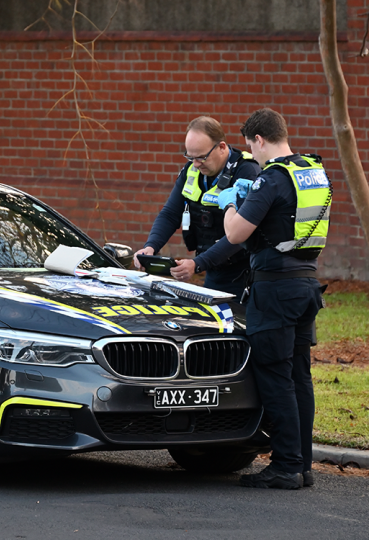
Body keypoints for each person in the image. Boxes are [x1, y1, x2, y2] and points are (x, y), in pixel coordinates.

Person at [218, 108, 332, 490]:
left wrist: (230, 205)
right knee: (300, 376)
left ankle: (285, 466)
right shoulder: (312, 172)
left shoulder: (272, 178)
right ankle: (303, 465)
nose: (252, 155)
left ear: (259, 140)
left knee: (276, 375)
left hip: (276, 289)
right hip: (306, 284)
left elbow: (235, 234)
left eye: (252, 148)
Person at [133, 116, 261, 300]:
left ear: (222, 147)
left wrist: (197, 264)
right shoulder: (192, 170)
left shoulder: (247, 171)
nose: (195, 164)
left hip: (246, 274)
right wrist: (151, 247)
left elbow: (240, 234)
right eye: (190, 157)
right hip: (214, 270)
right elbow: (170, 214)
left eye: (201, 157)